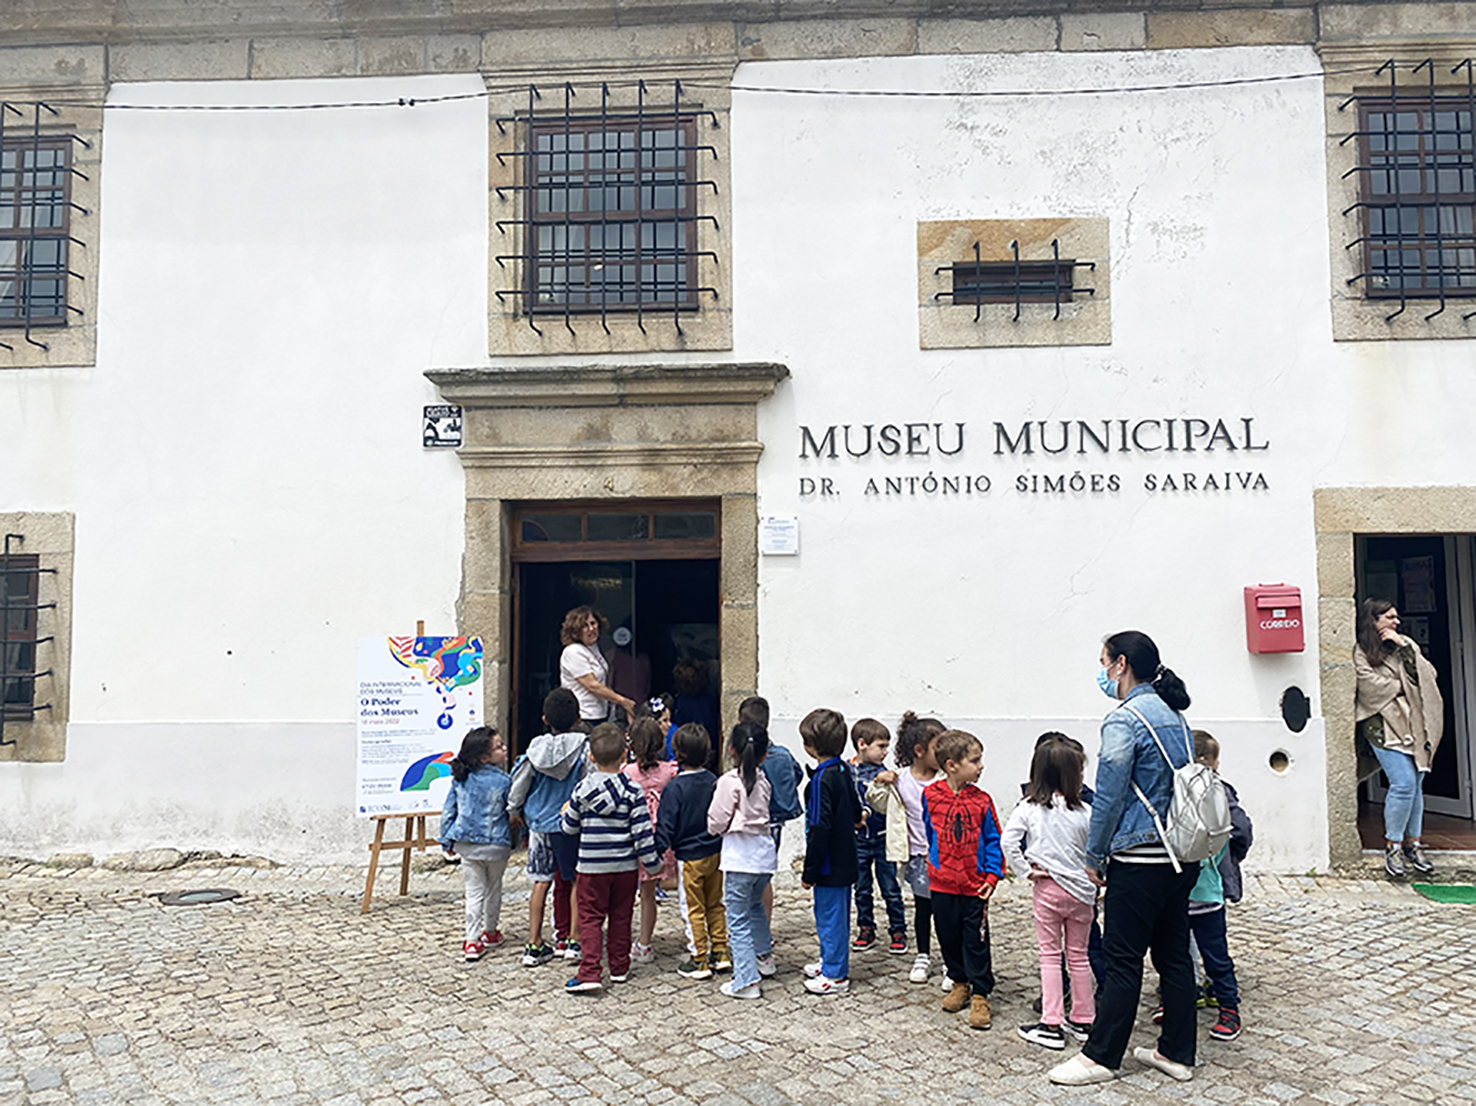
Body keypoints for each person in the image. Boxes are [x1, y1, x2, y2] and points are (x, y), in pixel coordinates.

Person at [1049, 630, 1200, 1087]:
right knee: (1174, 954)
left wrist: (1094, 854)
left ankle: (1101, 1055)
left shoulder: (1125, 719)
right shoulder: (1174, 714)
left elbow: (1111, 793)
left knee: (1122, 957)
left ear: (1121, 664)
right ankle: (1176, 1052)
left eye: (1103, 661)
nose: (1101, 671)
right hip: (1180, 856)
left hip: (1140, 856)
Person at [1002, 734, 1096, 1049]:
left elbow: (1008, 841)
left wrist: (1025, 870)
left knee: (1050, 955)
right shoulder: (1085, 811)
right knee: (1079, 956)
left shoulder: (1029, 807)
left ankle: (1051, 1023)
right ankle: (1085, 1020)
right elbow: (1098, 849)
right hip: (1083, 894)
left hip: (1048, 889)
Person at [559, 723, 664, 993]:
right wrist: (654, 863)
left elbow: (569, 828)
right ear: (624, 756)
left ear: (591, 756)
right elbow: (642, 833)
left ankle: (590, 970)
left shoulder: (582, 791)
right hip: (625, 867)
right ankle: (619, 966)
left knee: (591, 917)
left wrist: (566, 812)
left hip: (591, 867)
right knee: (621, 915)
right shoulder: (632, 791)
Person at [1354, 598, 1443, 880]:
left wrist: (1404, 648)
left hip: (1414, 722)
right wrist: (1405, 686)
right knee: (1403, 782)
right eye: (1389, 617)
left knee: (1416, 783)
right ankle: (1393, 846)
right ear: (1373, 620)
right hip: (1382, 724)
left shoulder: (1406, 644)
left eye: (1396, 617)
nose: (1396, 622)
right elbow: (1368, 686)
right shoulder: (1361, 651)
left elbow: (1427, 676)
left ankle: (1413, 844)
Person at [922, 729, 1001, 1031]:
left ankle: (981, 991)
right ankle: (959, 981)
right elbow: (931, 832)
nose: (981, 766)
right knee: (948, 935)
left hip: (973, 884)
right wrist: (935, 864)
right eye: (975, 760)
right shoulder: (930, 795)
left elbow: (994, 838)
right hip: (942, 883)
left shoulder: (982, 801)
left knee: (976, 939)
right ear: (952, 765)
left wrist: (992, 874)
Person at [508, 687, 587, 967]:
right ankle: (575, 940)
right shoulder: (584, 747)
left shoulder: (535, 749)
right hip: (569, 822)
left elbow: (520, 783)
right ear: (578, 717)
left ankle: (534, 943)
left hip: (539, 823)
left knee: (541, 881)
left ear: (544, 719)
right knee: (576, 878)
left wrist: (514, 811)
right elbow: (586, 781)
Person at [1182, 730, 1250, 1043]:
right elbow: (1242, 830)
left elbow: (1239, 831)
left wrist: (1228, 857)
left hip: (1200, 892)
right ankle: (1199, 1003)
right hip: (1191, 892)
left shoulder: (1215, 795)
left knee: (1207, 955)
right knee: (1194, 954)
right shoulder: (1203, 791)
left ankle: (1226, 1008)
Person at [868, 711, 945, 984]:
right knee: (924, 908)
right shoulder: (901, 779)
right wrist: (880, 781)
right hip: (916, 856)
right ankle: (923, 955)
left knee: (946, 910)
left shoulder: (946, 780)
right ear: (919, 751)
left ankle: (950, 961)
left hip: (944, 857)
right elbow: (876, 801)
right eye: (940, 747)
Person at [708, 723, 778, 999]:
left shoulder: (729, 782)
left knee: (736, 918)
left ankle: (746, 979)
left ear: (730, 749)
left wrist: (715, 828)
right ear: (763, 754)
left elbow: (717, 819)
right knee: (755, 907)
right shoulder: (763, 780)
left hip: (739, 857)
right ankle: (764, 958)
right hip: (763, 856)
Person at [654, 723, 729, 980]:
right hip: (715, 852)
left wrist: (656, 852)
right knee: (715, 903)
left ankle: (698, 957)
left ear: (677, 753)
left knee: (692, 907)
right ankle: (720, 951)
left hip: (689, 857)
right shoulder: (713, 781)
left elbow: (666, 824)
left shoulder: (675, 789)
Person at [799, 708, 861, 996]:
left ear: (810, 747)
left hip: (829, 863)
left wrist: (809, 870)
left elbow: (818, 826)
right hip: (844, 855)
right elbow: (853, 805)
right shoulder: (842, 769)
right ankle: (830, 961)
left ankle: (835, 974)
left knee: (830, 917)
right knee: (830, 915)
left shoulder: (821, 780)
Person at [439, 726, 512, 962]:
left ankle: (471, 940)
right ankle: (490, 931)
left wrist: (446, 839)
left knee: (474, 892)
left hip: (467, 845)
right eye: (499, 747)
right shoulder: (504, 781)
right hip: (497, 845)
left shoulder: (461, 779)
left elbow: (449, 811)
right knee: (494, 889)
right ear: (484, 757)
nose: (505, 749)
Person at [738, 695, 803, 926]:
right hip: (776, 822)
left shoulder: (748, 759)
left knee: (749, 877)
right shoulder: (783, 754)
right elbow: (798, 773)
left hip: (754, 823)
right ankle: (764, 927)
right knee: (765, 877)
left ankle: (748, 925)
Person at [623, 715, 679, 963]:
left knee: (623, 893)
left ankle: (622, 938)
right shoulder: (670, 771)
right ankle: (645, 942)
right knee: (648, 893)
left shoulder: (627, 773)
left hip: (631, 838)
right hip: (658, 839)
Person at [850, 717, 906, 954]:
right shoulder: (847, 770)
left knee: (890, 887)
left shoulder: (887, 774)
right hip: (858, 839)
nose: (885, 751)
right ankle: (866, 927)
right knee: (861, 888)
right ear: (862, 744)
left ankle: (898, 929)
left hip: (882, 837)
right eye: (881, 746)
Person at [559, 605, 635, 725]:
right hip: (583, 717)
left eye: (593, 623)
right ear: (575, 630)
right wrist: (622, 701)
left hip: (600, 714)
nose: (591, 629)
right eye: (585, 626)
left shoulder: (593, 648)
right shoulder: (573, 651)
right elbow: (592, 685)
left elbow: (602, 683)